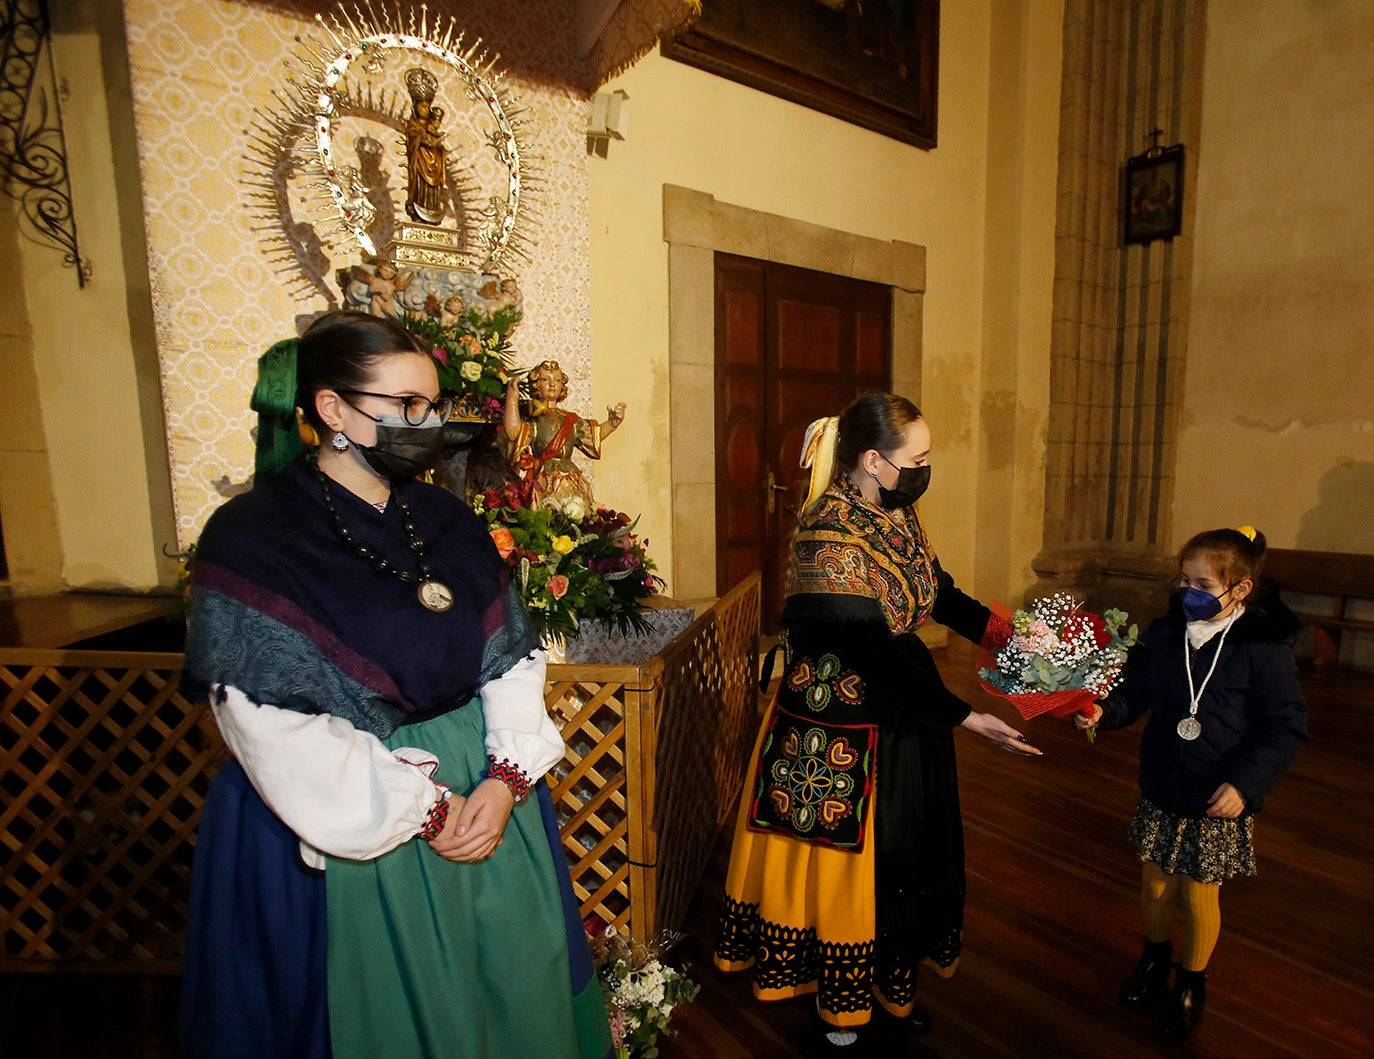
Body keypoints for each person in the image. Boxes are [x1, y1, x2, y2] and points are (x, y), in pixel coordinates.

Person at [179, 310, 612, 1059]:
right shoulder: (252, 536)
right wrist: (423, 808)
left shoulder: (444, 516)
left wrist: (505, 778)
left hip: (485, 794)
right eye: (407, 406)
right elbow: (262, 718)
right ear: (332, 409)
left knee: (513, 994)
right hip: (350, 809)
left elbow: (506, 653)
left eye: (434, 406)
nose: (429, 424)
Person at [713, 393, 1041, 1049]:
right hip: (837, 726)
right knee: (850, 869)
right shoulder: (825, 535)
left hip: (902, 705)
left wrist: (1010, 635)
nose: (924, 468)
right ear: (871, 459)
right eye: (916, 458)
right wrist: (966, 717)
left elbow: (937, 589)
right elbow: (867, 650)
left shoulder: (895, 509)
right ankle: (840, 1009)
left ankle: (892, 986)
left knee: (906, 855)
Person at [1076, 526, 1307, 1042]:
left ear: (1239, 589)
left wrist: (1245, 785)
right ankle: (1154, 960)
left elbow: (1284, 726)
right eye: (1184, 581)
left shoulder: (1263, 649)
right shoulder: (1164, 634)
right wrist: (1102, 711)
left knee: (1199, 894)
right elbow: (1134, 691)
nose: (1190, 594)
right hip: (1163, 780)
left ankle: (1191, 981)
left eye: (1203, 584)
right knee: (1156, 883)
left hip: (1217, 793)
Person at [503, 360, 625, 512]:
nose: (552, 384)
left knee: (576, 515)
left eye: (557, 380)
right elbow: (513, 432)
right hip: (544, 478)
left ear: (563, 385)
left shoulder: (570, 420)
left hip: (570, 478)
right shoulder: (533, 419)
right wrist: (512, 400)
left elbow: (593, 436)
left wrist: (612, 424)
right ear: (535, 384)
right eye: (545, 379)